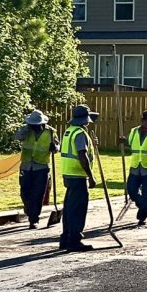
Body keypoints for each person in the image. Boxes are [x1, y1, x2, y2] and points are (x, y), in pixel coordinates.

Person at [57, 105, 99, 251]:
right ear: (84, 120)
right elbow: (82, 155)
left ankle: (65, 238)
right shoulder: (80, 133)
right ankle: (74, 240)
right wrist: (91, 176)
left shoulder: (69, 131)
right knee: (77, 210)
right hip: (78, 175)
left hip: (68, 174)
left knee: (69, 208)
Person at [15, 110, 58, 229]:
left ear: (42, 123)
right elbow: (17, 137)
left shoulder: (50, 132)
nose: (35, 127)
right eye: (32, 125)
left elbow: (57, 147)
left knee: (38, 194)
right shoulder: (26, 130)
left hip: (42, 166)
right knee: (24, 192)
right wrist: (26, 128)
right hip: (26, 166)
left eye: (36, 125)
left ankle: (34, 219)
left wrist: (55, 147)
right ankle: (29, 208)